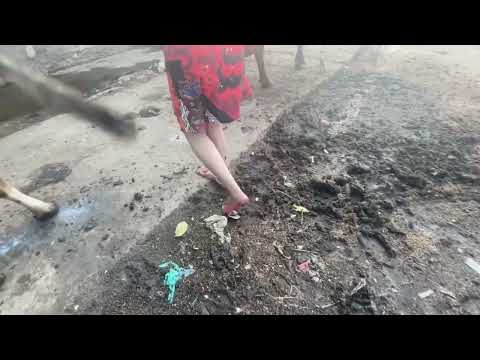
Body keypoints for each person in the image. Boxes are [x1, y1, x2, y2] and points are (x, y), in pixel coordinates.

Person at [162, 45, 251, 215]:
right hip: (223, 53)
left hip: (187, 57)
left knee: (194, 132)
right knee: (213, 116)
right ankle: (221, 173)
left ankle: (235, 193)